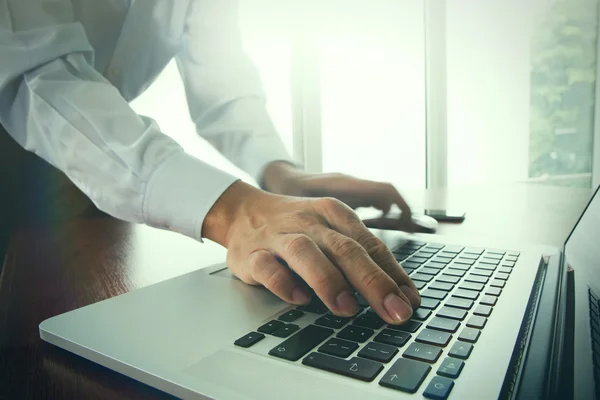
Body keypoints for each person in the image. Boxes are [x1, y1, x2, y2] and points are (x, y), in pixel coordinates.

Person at [0, 0, 420, 324]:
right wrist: (236, 212)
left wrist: (281, 174)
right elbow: (35, 74)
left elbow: (222, 84)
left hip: (106, 169)